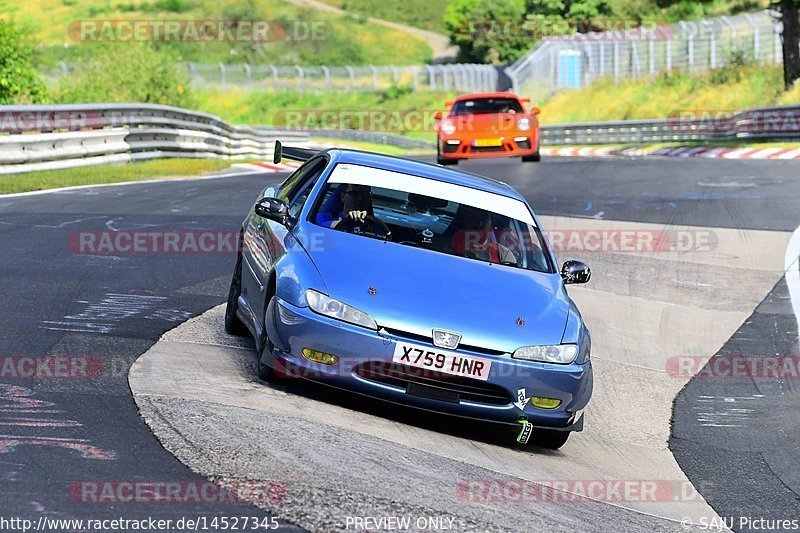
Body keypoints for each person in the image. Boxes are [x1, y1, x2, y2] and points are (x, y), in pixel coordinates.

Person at [449, 204, 517, 265]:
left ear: (491, 224)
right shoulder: (448, 244)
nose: (480, 223)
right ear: (465, 220)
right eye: (474, 218)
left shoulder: (502, 254)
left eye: (484, 218)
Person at [316, 184, 391, 238]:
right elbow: (314, 227)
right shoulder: (323, 217)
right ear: (342, 196)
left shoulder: (376, 226)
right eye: (354, 194)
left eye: (364, 194)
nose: (359, 198)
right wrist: (347, 222)